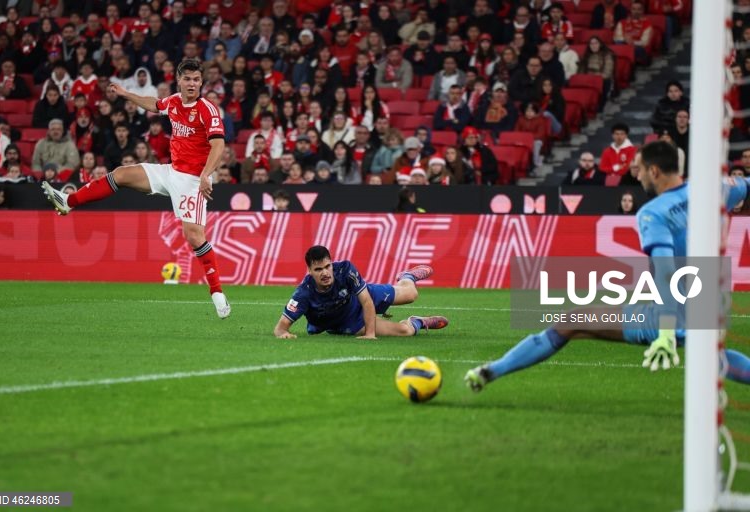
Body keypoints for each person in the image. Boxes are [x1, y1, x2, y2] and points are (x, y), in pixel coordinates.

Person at [465, 141, 750, 391]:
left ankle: (492, 370)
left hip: (673, 309)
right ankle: (492, 370)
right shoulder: (718, 188)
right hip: (710, 298)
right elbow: (745, 184)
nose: (635, 176)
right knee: (712, 356)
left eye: (638, 169)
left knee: (570, 322)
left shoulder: (653, 213)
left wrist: (665, 330)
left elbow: (665, 273)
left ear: (654, 171)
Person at [41, 59, 231, 319]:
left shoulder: (207, 110)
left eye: (197, 79)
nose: (192, 84)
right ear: (178, 80)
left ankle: (218, 295)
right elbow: (154, 104)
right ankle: (68, 201)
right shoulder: (174, 101)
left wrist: (207, 175)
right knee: (121, 174)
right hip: (170, 172)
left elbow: (218, 145)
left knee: (194, 237)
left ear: (201, 82)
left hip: (192, 180)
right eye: (187, 79)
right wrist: (126, 94)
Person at [273, 245, 447, 339]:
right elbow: (280, 328)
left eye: (328, 266)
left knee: (411, 295)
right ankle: (417, 322)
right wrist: (284, 334)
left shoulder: (345, 270)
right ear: (309, 271)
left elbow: (366, 301)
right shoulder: (304, 293)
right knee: (405, 332)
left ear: (332, 263)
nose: (325, 273)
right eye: (318, 269)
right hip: (347, 322)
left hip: (360, 297)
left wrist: (370, 335)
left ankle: (407, 277)